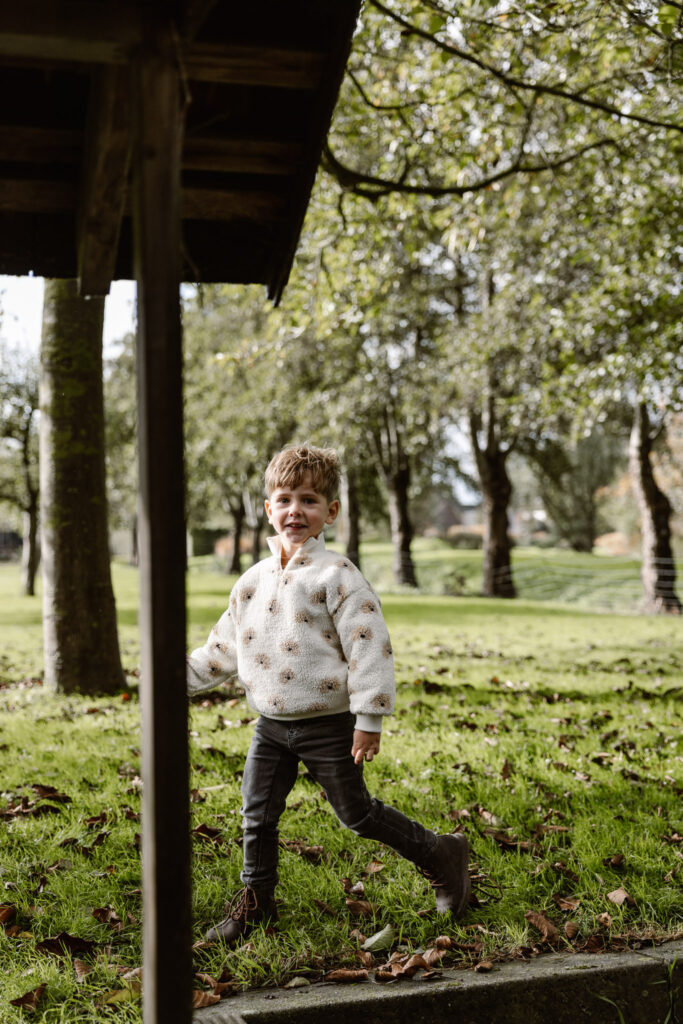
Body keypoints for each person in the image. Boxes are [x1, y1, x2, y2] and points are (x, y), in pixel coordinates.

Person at [187, 443, 470, 944]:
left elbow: (369, 647)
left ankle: (441, 855)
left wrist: (369, 718)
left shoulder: (337, 576)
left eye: (310, 500)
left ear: (330, 512)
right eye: (285, 498)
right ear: (269, 508)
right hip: (272, 726)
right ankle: (256, 904)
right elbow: (225, 646)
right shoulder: (251, 581)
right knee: (257, 813)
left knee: (356, 814)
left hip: (328, 723)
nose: (296, 510)